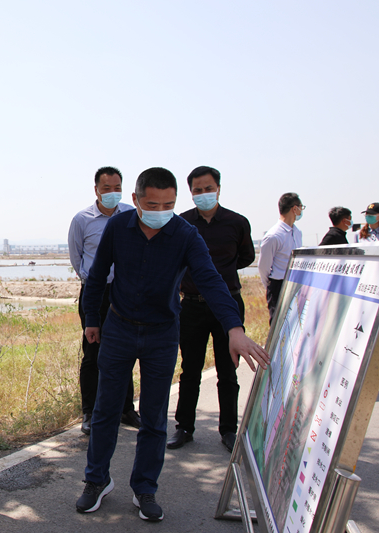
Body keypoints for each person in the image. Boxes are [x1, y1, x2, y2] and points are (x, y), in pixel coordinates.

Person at [74, 167, 269, 522]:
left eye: (168, 205)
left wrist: (234, 328)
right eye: (152, 205)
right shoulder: (118, 227)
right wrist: (91, 319)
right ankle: (96, 480)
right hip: (118, 329)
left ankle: (145, 487)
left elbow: (210, 280)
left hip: (162, 334)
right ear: (136, 200)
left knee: (153, 417)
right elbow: (97, 275)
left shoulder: (185, 234)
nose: (161, 212)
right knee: (105, 410)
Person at [168, 166, 254, 453]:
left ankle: (229, 429)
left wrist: (219, 275)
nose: (203, 194)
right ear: (190, 192)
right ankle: (184, 427)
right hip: (192, 306)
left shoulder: (236, 222)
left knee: (227, 369)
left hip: (228, 305)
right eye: (197, 190)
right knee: (189, 369)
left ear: (218, 189)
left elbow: (245, 257)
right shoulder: (181, 223)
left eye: (208, 189)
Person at [68, 167, 140, 435]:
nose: (112, 193)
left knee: (126, 350)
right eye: (106, 188)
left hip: (125, 293)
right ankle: (90, 411)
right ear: (96, 190)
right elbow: (77, 257)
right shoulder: (82, 219)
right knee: (93, 352)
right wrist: (93, 281)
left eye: (117, 188)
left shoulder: (132, 215)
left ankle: (126, 409)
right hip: (95, 293)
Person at [258, 193, 304, 324]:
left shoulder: (297, 232)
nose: (301, 211)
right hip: (278, 285)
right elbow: (263, 267)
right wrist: (270, 286)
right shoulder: (274, 236)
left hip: (295, 283)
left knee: (295, 322)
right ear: (294, 209)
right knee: (278, 323)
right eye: (301, 207)